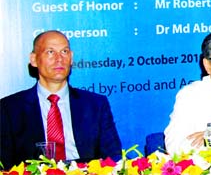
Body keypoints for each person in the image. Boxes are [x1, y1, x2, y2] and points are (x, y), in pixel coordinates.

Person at [0, 30, 121, 168]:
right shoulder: (9, 108)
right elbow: (4, 164)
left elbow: (113, 159)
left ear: (71, 57)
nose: (59, 59)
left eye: (64, 52)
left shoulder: (95, 105)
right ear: (34, 59)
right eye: (50, 52)